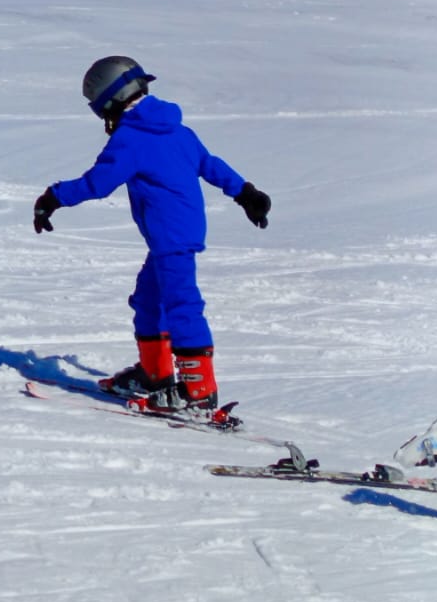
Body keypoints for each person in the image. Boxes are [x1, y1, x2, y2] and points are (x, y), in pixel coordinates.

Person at [33, 55, 271, 415]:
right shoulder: (178, 130)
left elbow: (97, 184)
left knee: (182, 306)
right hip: (170, 237)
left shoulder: (130, 139)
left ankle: (198, 390)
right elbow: (210, 164)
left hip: (171, 238)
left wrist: (53, 197)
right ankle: (155, 375)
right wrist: (245, 193)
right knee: (148, 301)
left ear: (108, 102)